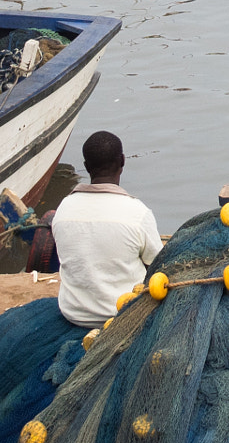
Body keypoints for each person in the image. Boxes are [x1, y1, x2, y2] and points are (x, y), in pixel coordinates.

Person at [49, 131, 161, 328]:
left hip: (73, 314)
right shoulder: (137, 213)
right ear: (123, 162)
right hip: (124, 314)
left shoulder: (63, 209)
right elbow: (158, 263)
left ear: (86, 167)